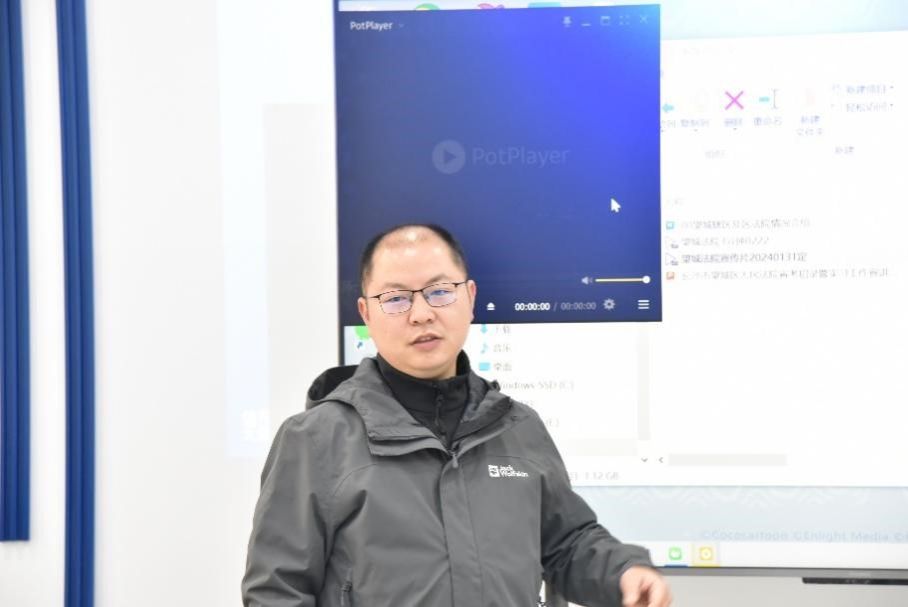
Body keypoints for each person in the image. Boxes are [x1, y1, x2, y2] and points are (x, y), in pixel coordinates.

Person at [242, 224, 672, 607]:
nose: (422, 314)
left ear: (470, 297)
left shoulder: (519, 428)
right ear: (366, 314)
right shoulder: (315, 439)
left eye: (439, 291)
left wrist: (622, 572)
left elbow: (566, 544)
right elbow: (277, 591)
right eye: (395, 299)